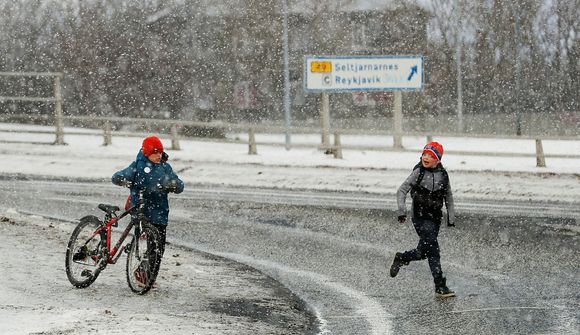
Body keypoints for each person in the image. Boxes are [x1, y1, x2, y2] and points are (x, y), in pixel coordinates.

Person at [111, 136, 184, 283]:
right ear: (146, 153)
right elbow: (117, 176)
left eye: (160, 152)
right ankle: (144, 276)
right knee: (151, 244)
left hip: (160, 214)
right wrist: (121, 180)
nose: (158, 155)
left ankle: (146, 276)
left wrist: (173, 184)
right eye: (155, 152)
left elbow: (179, 184)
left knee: (158, 249)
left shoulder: (165, 167)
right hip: (141, 211)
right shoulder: (138, 166)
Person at [390, 141, 456, 298]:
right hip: (419, 217)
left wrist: (451, 218)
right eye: (424, 154)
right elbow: (402, 190)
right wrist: (402, 211)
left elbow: (448, 196)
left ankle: (402, 257)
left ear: (438, 160)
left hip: (435, 218)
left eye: (430, 155)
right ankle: (440, 286)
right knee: (433, 249)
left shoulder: (443, 175)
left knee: (423, 252)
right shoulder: (418, 172)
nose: (426, 157)